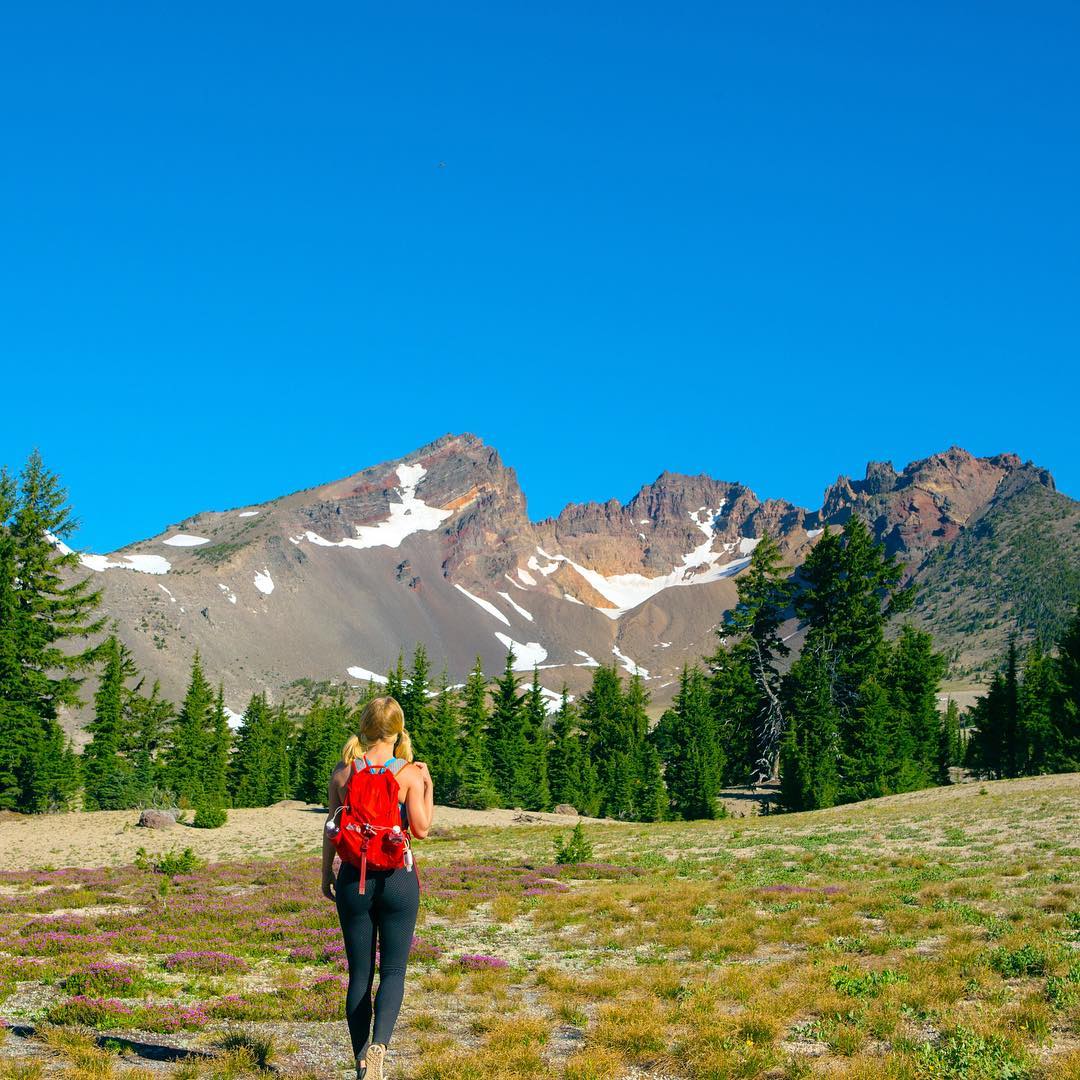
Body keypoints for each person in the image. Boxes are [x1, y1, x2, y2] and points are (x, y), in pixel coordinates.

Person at [321, 696, 434, 1080]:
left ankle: (360, 1062)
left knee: (359, 975)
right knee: (394, 971)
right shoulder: (408, 774)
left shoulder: (343, 772)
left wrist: (327, 872)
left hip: (354, 878)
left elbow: (331, 827)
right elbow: (421, 829)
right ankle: (380, 1047)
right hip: (398, 879)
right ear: (397, 730)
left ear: (365, 727)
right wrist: (428, 785)